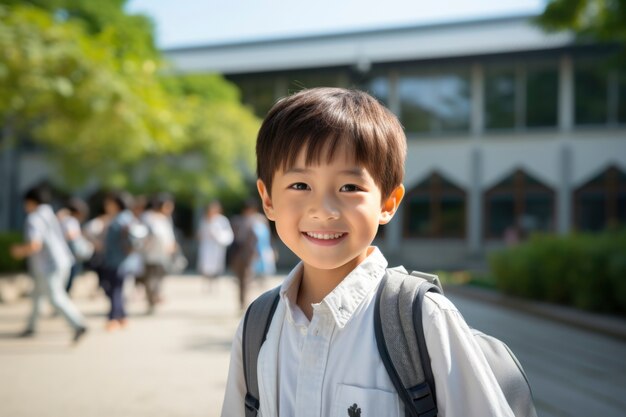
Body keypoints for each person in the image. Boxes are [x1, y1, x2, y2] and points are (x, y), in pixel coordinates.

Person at [221, 88, 514, 416]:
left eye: (350, 188)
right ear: (268, 199)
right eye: (300, 185)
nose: (324, 210)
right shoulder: (258, 324)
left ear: (388, 202)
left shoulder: (422, 320)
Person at [10, 186, 88, 343]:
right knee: (37, 295)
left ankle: (78, 324)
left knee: (55, 297)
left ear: (31, 202)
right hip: (60, 260)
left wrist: (18, 251)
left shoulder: (34, 219)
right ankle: (31, 327)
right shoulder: (49, 214)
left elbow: (34, 244)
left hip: (48, 265)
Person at [100, 191, 135, 331]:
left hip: (115, 260)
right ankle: (122, 316)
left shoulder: (117, 220)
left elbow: (109, 242)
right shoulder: (130, 218)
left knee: (114, 289)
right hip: (127, 260)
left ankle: (113, 318)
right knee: (118, 289)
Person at [136, 193, 177, 313]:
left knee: (159, 278)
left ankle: (155, 297)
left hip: (162, 254)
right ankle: (151, 300)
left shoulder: (165, 219)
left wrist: (172, 246)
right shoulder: (147, 217)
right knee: (150, 279)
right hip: (149, 253)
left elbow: (169, 236)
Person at [228, 200, 260, 309]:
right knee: (242, 280)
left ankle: (243, 302)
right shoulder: (238, 222)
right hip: (238, 255)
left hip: (247, 256)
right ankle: (242, 302)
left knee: (245, 280)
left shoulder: (255, 222)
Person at [196, 200, 233, 290]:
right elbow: (200, 234)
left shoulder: (222, 220)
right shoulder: (205, 220)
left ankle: (215, 284)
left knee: (217, 266)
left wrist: (218, 235)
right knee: (205, 266)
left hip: (217, 247)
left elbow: (227, 234)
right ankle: (206, 285)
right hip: (207, 246)